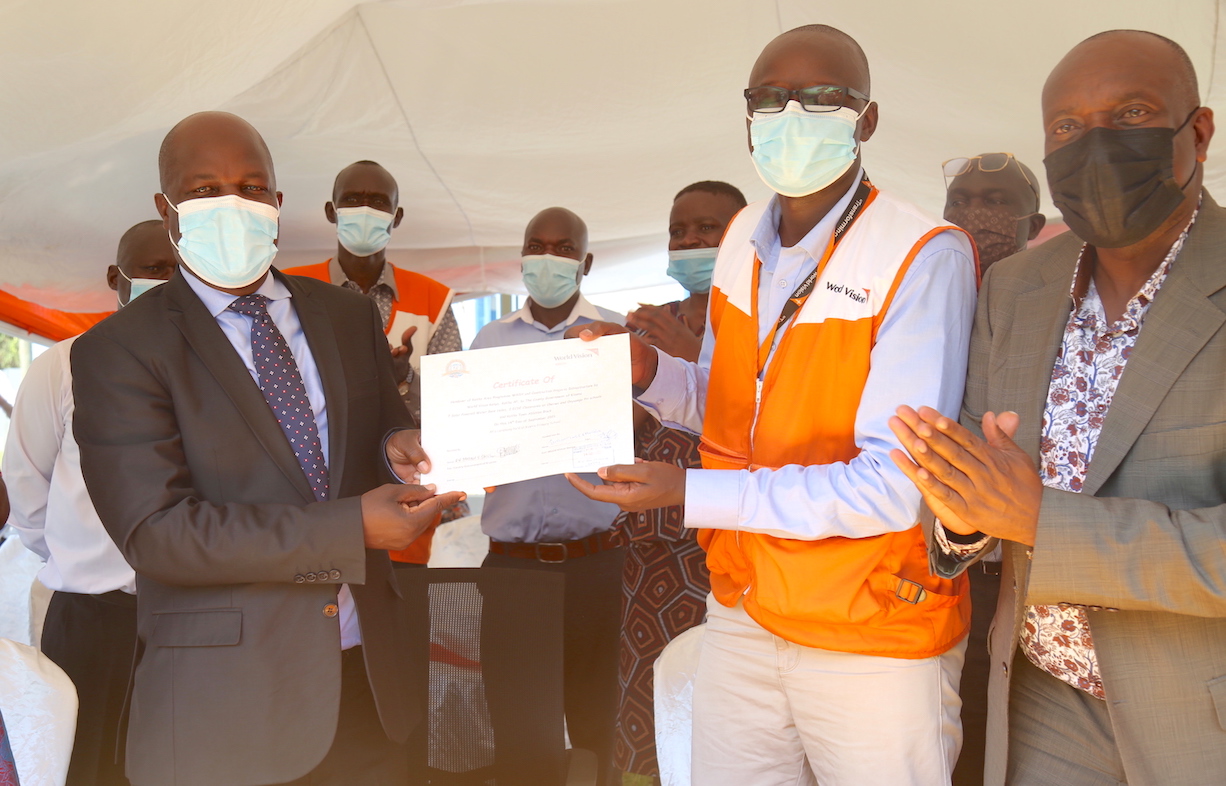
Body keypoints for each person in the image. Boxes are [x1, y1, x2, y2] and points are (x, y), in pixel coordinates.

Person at [567, 24, 977, 785]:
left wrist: (689, 493)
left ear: (868, 119)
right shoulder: (738, 245)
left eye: (824, 100)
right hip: (747, 609)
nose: (793, 116)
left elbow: (892, 486)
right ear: (747, 114)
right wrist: (647, 369)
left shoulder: (922, 251)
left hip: (870, 628)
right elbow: (730, 409)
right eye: (771, 99)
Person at [71, 111, 462, 786]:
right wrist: (351, 526)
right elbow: (159, 534)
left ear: (278, 205)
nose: (233, 205)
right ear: (167, 210)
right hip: (228, 707)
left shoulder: (344, 317)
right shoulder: (120, 350)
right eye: (203, 190)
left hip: (368, 684)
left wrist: (400, 450)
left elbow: (379, 439)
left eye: (252, 188)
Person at [889, 30, 1226, 786]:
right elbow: (973, 471)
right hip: (1042, 700)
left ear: (1197, 132)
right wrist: (966, 511)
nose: (1095, 146)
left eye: (1132, 114)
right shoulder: (1016, 290)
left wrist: (1039, 517)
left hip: (1202, 714)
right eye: (1068, 128)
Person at [3, 219, 175, 786]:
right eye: (153, 269)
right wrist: (83, 559)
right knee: (85, 761)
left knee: (173, 758)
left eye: (180, 270)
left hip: (188, 615)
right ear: (115, 277)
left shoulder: (216, 374)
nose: (168, 281)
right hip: (90, 613)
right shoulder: (62, 365)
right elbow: (27, 487)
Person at [468, 206, 624, 785]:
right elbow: (465, 440)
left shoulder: (615, 336)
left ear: (585, 262)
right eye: (538, 245)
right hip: (511, 569)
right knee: (516, 726)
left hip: (597, 563)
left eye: (564, 249)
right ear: (523, 256)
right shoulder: (488, 340)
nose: (549, 258)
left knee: (597, 725)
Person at [611, 180, 744, 782]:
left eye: (706, 230)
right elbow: (620, 433)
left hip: (728, 552)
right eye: (678, 231)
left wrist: (692, 360)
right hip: (652, 556)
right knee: (649, 699)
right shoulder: (648, 323)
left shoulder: (763, 318)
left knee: (723, 717)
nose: (690, 241)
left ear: (740, 233)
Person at [283, 160, 465, 569]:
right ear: (332, 211)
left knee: (397, 620)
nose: (365, 210)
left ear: (396, 216)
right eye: (353, 200)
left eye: (378, 202)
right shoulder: (289, 292)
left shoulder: (433, 300)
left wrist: (402, 382)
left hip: (405, 496)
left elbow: (452, 403)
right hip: (314, 501)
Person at [939, 154, 1044, 786]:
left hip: (1036, 568)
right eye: (963, 198)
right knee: (948, 733)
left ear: (1035, 222)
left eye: (999, 199)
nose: (979, 212)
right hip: (939, 566)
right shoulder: (924, 296)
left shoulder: (1064, 306)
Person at [942, 153, 1046, 272]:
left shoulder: (1059, 288)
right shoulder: (922, 280)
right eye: (958, 202)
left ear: (1033, 226)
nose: (973, 211)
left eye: (995, 201)